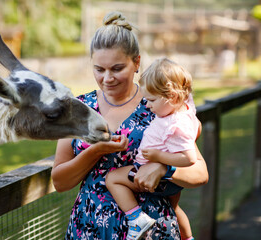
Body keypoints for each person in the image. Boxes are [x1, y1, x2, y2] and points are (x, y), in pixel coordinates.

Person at [51, 11, 208, 240]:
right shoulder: (77, 109)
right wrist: (96, 151)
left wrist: (164, 168)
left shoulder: (158, 106)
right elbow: (60, 182)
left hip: (153, 231)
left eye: (116, 69)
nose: (107, 78)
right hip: (89, 228)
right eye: (99, 69)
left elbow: (200, 173)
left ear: (136, 62)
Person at [106, 57, 198, 240]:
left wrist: (158, 157)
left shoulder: (176, 125)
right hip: (167, 181)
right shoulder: (183, 107)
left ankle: (136, 218)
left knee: (113, 178)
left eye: (151, 100)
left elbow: (189, 159)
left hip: (149, 173)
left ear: (171, 97)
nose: (147, 106)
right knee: (175, 209)